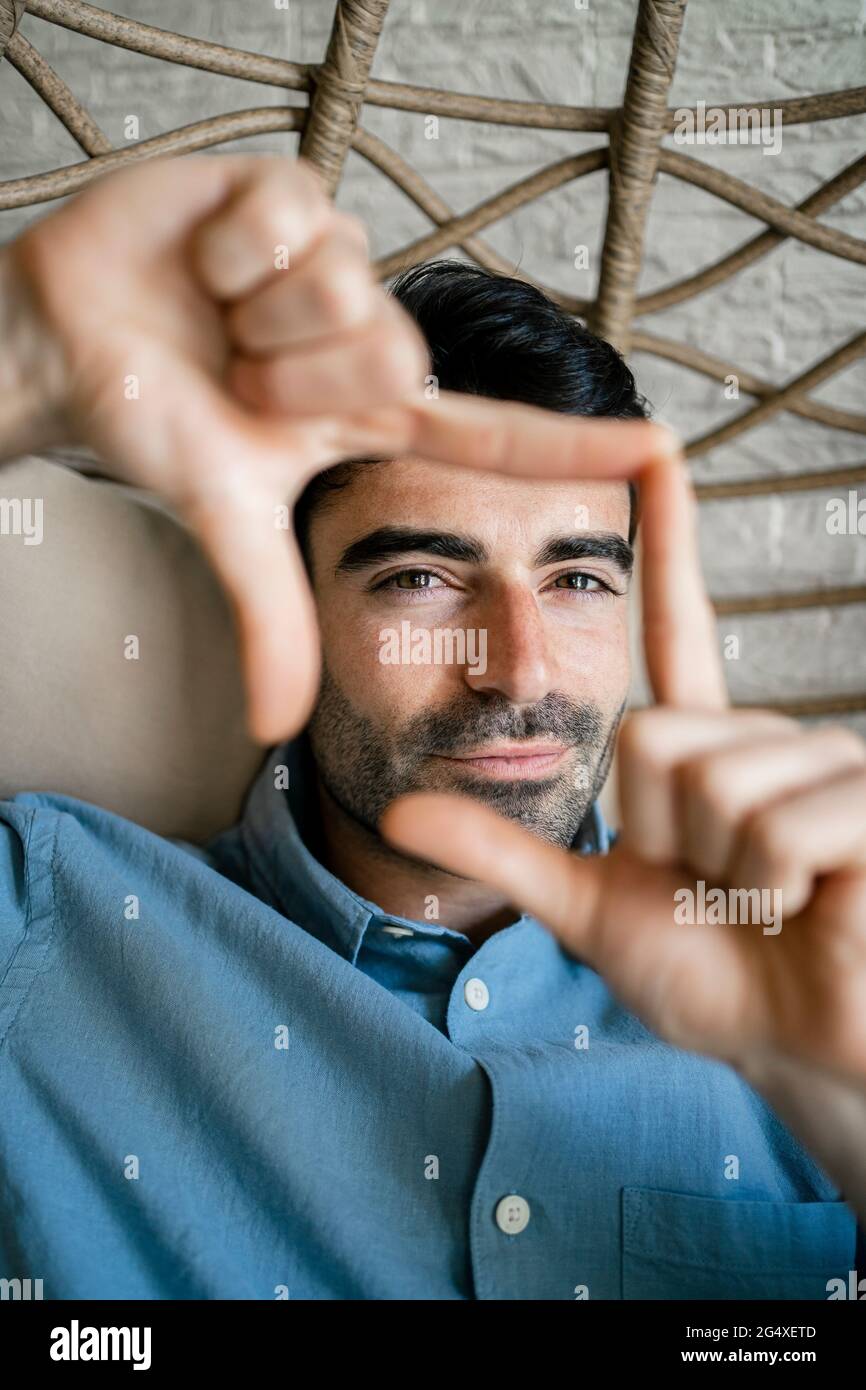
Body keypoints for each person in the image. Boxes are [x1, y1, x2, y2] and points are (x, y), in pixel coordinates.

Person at [1, 155, 865, 1300]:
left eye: (576, 582)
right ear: (290, 593)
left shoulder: (811, 965)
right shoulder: (45, 920)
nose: (516, 672)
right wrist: (18, 355)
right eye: (419, 578)